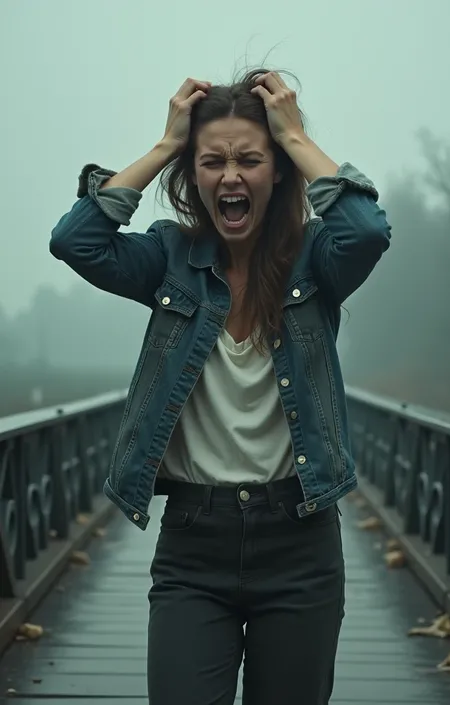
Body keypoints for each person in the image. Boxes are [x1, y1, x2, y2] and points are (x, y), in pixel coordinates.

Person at [50, 68, 391, 705]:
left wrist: (293, 134)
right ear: (193, 177)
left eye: (250, 160)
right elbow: (77, 241)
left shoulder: (317, 259)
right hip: (192, 546)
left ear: (278, 172)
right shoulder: (168, 258)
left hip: (300, 542)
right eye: (212, 162)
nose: (231, 177)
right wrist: (164, 145)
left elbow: (368, 232)